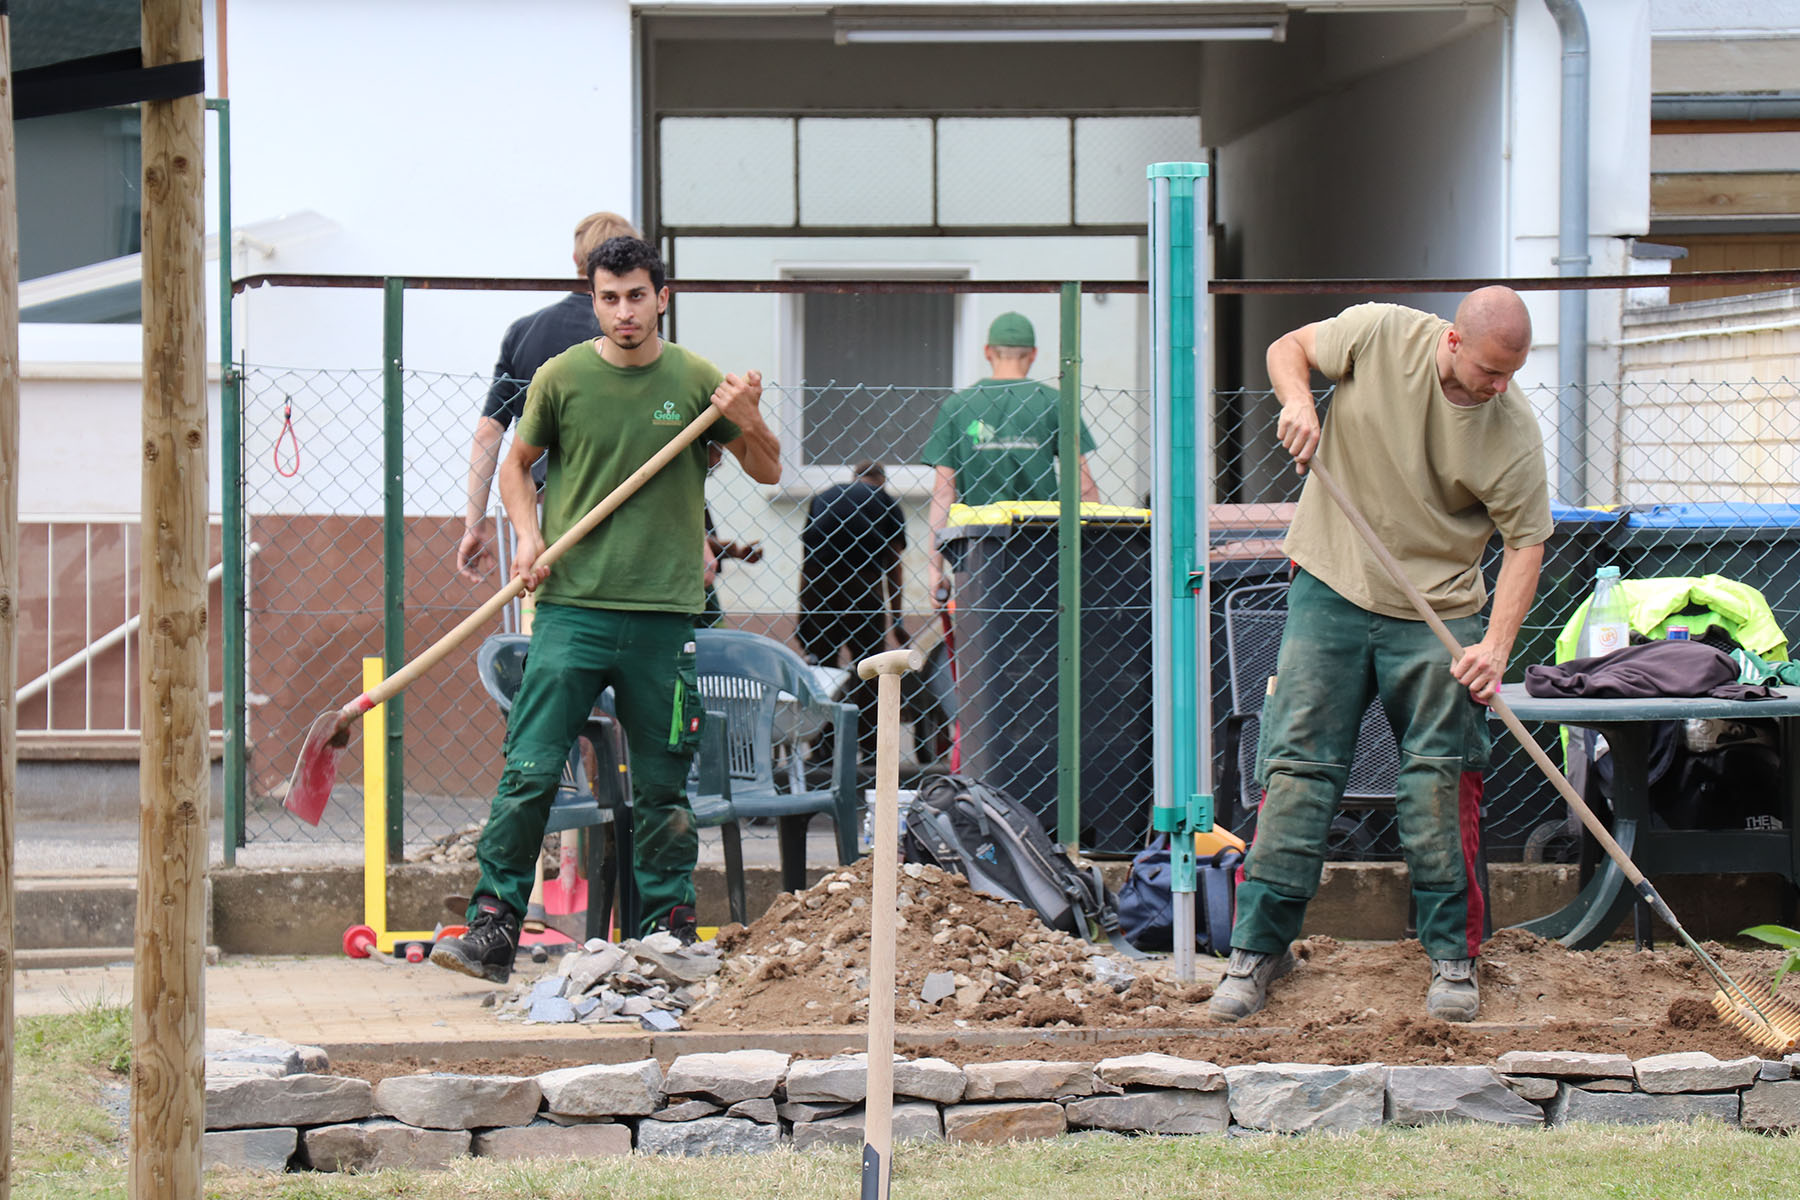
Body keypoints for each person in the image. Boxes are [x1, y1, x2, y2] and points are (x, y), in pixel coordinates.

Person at [432, 236, 780, 984]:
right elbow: (516, 467)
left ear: (662, 298)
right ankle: (493, 929)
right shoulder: (561, 377)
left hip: (663, 615)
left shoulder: (695, 380)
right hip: (571, 610)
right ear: (593, 301)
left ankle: (665, 938)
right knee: (530, 771)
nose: (625, 311)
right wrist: (528, 536)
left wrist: (747, 416)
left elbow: (769, 468)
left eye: (637, 296)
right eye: (610, 297)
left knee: (663, 788)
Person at [1208, 286, 1551, 1025]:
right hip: (1331, 582)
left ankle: (1454, 959)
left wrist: (1494, 646)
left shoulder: (1511, 429)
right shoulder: (1381, 334)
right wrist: (1298, 403)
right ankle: (1256, 951)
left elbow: (1527, 541)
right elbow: (1288, 348)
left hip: (1439, 611)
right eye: (1490, 370)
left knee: (1441, 780)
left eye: (1511, 375)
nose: (1499, 387)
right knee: (1296, 770)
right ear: (1453, 341)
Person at [455, 211, 640, 584]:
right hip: (625, 506)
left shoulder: (525, 332)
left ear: (575, 260)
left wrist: (475, 524)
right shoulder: (637, 335)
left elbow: (489, 432)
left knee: (544, 606)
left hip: (543, 509)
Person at [921, 312, 1099, 602]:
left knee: (984, 623)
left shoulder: (958, 406)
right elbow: (1085, 486)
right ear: (1033, 354)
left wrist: (934, 570)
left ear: (988, 352)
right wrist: (1092, 556)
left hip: (979, 547)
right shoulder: (1054, 402)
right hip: (1044, 543)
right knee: (1044, 621)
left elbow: (943, 492)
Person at [798, 461, 908, 757]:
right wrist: (897, 620)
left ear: (854, 478)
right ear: (881, 480)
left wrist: (803, 615)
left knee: (822, 666)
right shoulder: (885, 500)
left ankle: (823, 747)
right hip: (864, 584)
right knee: (871, 667)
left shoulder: (823, 497)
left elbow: (806, 560)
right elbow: (894, 564)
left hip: (819, 584)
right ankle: (871, 747)